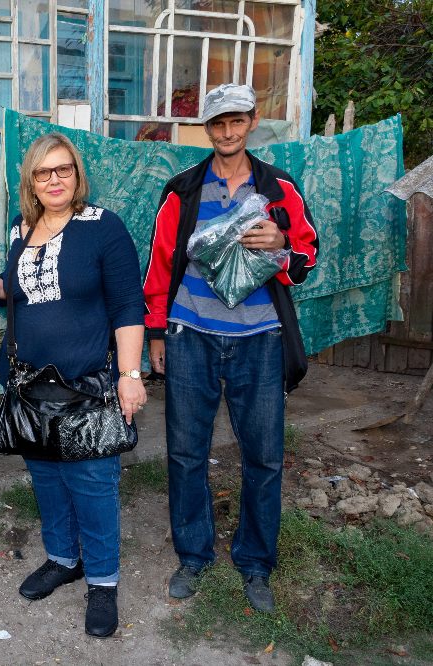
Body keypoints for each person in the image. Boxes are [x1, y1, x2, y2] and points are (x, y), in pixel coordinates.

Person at [143, 83, 319, 612]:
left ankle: (255, 563)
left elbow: (308, 260)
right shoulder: (183, 191)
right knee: (185, 453)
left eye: (236, 121)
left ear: (251, 121)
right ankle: (193, 555)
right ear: (207, 127)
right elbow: (159, 264)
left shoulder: (279, 189)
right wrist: (156, 332)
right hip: (190, 334)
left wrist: (282, 246)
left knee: (264, 456)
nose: (227, 132)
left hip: (261, 339)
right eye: (217, 123)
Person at [0, 132, 147, 638]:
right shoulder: (21, 231)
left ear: (77, 174)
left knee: (92, 485)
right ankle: (64, 559)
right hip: (29, 386)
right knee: (47, 479)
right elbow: (26, 295)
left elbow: (128, 305)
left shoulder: (103, 227)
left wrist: (130, 375)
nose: (54, 180)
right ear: (30, 180)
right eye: (44, 172)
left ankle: (104, 582)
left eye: (63, 169)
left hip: (87, 386)